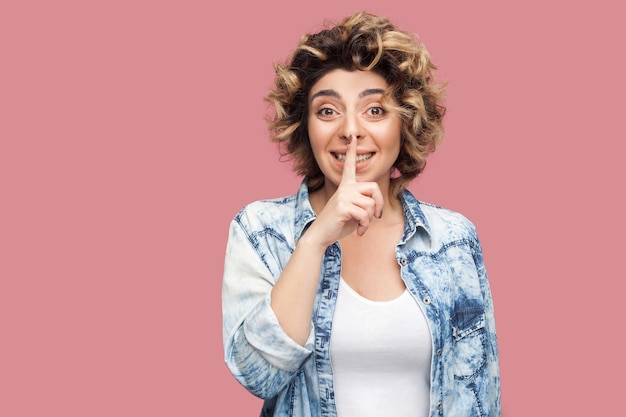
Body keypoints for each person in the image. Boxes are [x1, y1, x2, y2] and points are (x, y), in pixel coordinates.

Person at [222, 11, 500, 417]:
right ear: (305, 127)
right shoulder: (260, 231)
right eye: (328, 111)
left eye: (374, 110)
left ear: (403, 124)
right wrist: (315, 240)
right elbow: (259, 376)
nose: (351, 130)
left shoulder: (453, 238)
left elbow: (480, 394)